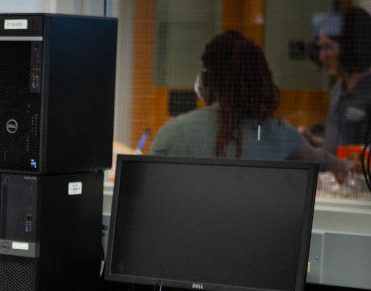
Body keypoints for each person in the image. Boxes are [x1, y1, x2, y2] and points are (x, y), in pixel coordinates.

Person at [150, 30, 350, 179]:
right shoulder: (280, 135)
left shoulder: (172, 133)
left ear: (206, 80)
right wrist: (345, 165)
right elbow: (321, 160)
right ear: (260, 82)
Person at [313, 6, 371, 154]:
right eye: (321, 47)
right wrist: (312, 142)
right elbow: (340, 148)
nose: (322, 57)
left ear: (351, 48)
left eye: (328, 48)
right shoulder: (337, 89)